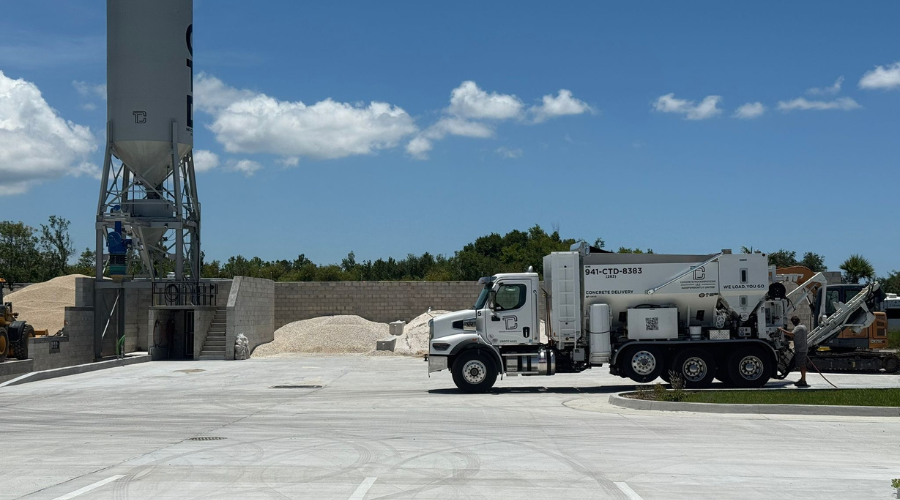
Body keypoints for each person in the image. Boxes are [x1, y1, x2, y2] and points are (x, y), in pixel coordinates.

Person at [780, 316, 809, 387]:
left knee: (802, 365)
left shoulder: (798, 328)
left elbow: (791, 334)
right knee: (802, 364)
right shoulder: (804, 327)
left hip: (800, 349)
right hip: (804, 348)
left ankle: (803, 380)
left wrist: (782, 330)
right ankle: (802, 379)